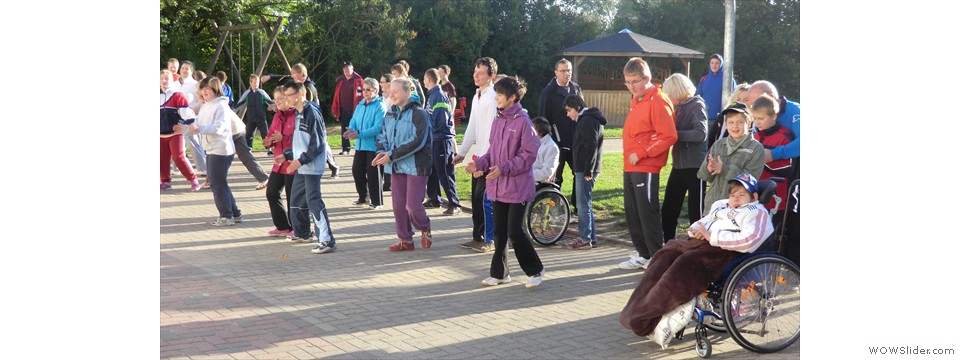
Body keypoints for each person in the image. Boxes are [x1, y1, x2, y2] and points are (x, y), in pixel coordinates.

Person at [620, 173, 774, 337]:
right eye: (732, 195)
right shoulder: (721, 205)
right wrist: (696, 231)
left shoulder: (756, 212)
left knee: (685, 263)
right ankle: (635, 312)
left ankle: (646, 317)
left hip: (724, 251)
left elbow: (749, 240)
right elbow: (702, 222)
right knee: (665, 253)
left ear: (754, 197)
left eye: (741, 195)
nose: (735, 199)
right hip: (700, 243)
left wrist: (712, 237)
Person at [465, 76, 545, 288]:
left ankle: (535, 271)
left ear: (512, 98)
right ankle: (500, 274)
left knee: (514, 232)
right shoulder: (498, 119)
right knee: (499, 233)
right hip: (498, 187)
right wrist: (479, 164)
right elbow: (492, 151)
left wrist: (504, 168)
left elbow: (529, 154)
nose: (497, 98)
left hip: (518, 188)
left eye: (500, 95)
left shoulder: (523, 121)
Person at [617, 57, 678, 271]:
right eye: (627, 82)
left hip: (646, 166)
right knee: (632, 212)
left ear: (647, 78)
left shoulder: (658, 100)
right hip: (631, 166)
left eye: (635, 81)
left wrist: (642, 153)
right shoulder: (638, 100)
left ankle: (657, 258)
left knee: (647, 212)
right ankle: (643, 254)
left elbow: (669, 136)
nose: (631, 87)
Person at [373, 78, 433, 252]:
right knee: (399, 207)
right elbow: (382, 136)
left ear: (407, 93)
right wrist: (381, 153)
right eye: (390, 91)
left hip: (416, 166)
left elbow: (417, 141)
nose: (391, 94)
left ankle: (425, 226)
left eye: (396, 91)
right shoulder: (390, 113)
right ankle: (405, 240)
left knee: (412, 206)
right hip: (396, 166)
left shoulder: (419, 113)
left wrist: (391, 155)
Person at [176, 77, 242, 226]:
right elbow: (197, 125)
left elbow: (219, 128)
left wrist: (199, 129)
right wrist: (185, 129)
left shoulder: (222, 106)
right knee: (219, 182)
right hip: (211, 148)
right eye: (203, 89)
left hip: (221, 149)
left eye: (208, 89)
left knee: (217, 183)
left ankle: (227, 216)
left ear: (215, 89)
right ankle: (235, 213)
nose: (204, 92)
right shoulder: (206, 106)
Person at [281, 80, 337, 254]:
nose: (285, 99)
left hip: (311, 166)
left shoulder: (311, 113)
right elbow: (301, 142)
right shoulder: (298, 113)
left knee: (314, 201)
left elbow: (317, 144)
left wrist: (300, 160)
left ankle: (327, 239)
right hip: (302, 166)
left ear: (299, 95)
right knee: (296, 200)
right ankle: (303, 232)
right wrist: (288, 155)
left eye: (288, 95)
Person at [453, 57, 499, 253]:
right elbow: (472, 126)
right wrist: (462, 153)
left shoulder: (493, 97)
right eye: (475, 72)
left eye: (480, 73)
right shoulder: (476, 96)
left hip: (488, 157)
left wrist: (483, 162)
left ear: (492, 76)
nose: (476, 75)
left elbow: (492, 132)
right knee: (476, 198)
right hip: (478, 157)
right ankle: (477, 237)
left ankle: (490, 239)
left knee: (485, 199)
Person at [264, 63, 340, 178]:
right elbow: (283, 77)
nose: (292, 76)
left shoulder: (309, 88)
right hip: (302, 120)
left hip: (312, 121)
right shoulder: (295, 85)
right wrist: (270, 76)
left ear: (302, 74)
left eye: (294, 74)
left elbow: (307, 106)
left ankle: (333, 165)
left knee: (322, 144)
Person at [659, 73, 708, 242]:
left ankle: (698, 246)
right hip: (679, 165)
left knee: (696, 210)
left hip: (695, 166)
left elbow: (701, 133)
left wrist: (674, 134)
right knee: (669, 208)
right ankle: (668, 243)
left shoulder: (696, 105)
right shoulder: (677, 108)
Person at [538, 59, 584, 222]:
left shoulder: (576, 88)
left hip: (576, 141)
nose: (567, 74)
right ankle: (556, 211)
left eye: (569, 70)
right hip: (556, 143)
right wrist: (548, 140)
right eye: (563, 71)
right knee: (555, 177)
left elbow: (583, 112)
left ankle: (579, 209)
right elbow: (543, 119)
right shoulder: (548, 92)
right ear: (556, 73)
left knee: (579, 173)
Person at [698, 103, 765, 213]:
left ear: (748, 123)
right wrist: (708, 169)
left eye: (740, 122)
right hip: (713, 205)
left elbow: (751, 179)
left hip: (739, 208)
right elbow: (702, 175)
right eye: (731, 122)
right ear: (726, 125)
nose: (735, 126)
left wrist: (724, 169)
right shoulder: (718, 144)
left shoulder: (756, 148)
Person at [563, 95, 607, 250]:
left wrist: (587, 169)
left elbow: (591, 145)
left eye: (569, 110)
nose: (568, 115)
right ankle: (591, 238)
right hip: (584, 168)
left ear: (578, 107)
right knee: (585, 203)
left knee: (582, 204)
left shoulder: (587, 120)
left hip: (586, 169)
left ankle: (584, 239)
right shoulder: (587, 119)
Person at [422, 68, 462, 215]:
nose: (423, 81)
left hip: (442, 140)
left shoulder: (438, 96)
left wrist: (429, 128)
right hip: (435, 139)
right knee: (432, 171)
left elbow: (441, 121)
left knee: (445, 172)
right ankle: (434, 199)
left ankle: (454, 203)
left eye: (424, 79)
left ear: (429, 80)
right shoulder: (433, 95)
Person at [750, 93, 796, 221]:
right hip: (755, 198)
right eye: (755, 118)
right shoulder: (755, 137)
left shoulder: (785, 136)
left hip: (776, 200)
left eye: (761, 118)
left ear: (774, 116)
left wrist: (761, 159)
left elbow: (789, 169)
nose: (757, 122)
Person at [262, 87, 300, 237]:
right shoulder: (277, 115)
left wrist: (283, 138)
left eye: (280, 98)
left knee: (293, 198)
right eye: (275, 98)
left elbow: (300, 140)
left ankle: (297, 228)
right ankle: (282, 226)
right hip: (278, 162)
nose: (277, 101)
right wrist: (268, 142)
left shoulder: (297, 115)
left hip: (292, 162)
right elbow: (271, 134)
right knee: (271, 193)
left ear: (288, 99)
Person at [343, 78, 385, 210]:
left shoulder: (379, 106)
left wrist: (358, 133)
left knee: (373, 173)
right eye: (363, 90)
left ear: (376, 91)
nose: (365, 92)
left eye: (368, 90)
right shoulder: (361, 104)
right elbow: (354, 120)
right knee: (357, 170)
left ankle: (377, 201)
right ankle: (363, 197)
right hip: (360, 145)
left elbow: (377, 128)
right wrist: (350, 129)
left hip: (373, 145)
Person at [745, 80, 800, 180]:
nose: (756, 108)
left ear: (771, 95)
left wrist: (774, 154)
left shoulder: (796, 112)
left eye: (759, 102)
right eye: (753, 105)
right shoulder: (758, 118)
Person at [160, 70, 202, 191]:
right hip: (160, 135)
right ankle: (165, 181)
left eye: (166, 78)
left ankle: (193, 179)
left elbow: (187, 114)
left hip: (175, 134)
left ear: (172, 80)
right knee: (161, 159)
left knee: (179, 157)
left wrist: (183, 124)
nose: (164, 81)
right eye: (162, 78)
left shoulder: (177, 95)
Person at [227, 94, 270, 191]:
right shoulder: (209, 103)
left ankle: (264, 177)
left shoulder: (217, 104)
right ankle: (263, 177)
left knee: (219, 157)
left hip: (234, 131)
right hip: (232, 131)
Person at [178, 61, 208, 177]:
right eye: (183, 68)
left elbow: (202, 100)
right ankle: (176, 168)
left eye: (187, 69)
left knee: (194, 144)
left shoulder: (195, 84)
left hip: (191, 118)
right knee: (176, 144)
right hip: (176, 118)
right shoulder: (175, 84)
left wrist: (193, 110)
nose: (184, 70)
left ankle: (203, 168)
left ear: (191, 71)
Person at [234, 74, 275, 154]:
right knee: (249, 133)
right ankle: (249, 148)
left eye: (257, 82)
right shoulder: (247, 93)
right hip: (251, 116)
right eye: (254, 82)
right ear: (250, 83)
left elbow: (269, 102)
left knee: (265, 132)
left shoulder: (261, 92)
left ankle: (268, 149)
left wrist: (276, 108)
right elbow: (240, 103)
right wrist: (233, 111)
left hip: (261, 116)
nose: (256, 84)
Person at [332, 61, 363, 155]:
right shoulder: (340, 80)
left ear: (352, 68)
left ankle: (360, 148)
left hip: (355, 109)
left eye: (348, 68)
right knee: (344, 128)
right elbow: (336, 95)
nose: (346, 70)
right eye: (344, 68)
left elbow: (361, 95)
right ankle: (346, 148)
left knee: (359, 127)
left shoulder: (358, 80)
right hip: (343, 109)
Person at [695, 54, 737, 121]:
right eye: (712, 63)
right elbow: (698, 97)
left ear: (721, 64)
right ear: (709, 64)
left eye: (717, 63)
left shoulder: (728, 80)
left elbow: (735, 98)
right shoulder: (703, 80)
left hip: (722, 118)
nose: (714, 65)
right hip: (705, 118)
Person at [708, 82, 750, 149]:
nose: (741, 102)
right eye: (738, 99)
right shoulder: (723, 116)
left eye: (746, 100)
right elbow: (711, 140)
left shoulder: (757, 121)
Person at [379, 74, 396, 191]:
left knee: (389, 153)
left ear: (389, 83)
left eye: (382, 82)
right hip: (384, 129)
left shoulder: (392, 97)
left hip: (391, 129)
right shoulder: (383, 96)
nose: (380, 84)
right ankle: (386, 182)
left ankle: (389, 182)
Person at [530, 117, 559, 183]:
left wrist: (526, 175)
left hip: (537, 183)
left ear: (540, 132)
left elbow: (547, 172)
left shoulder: (552, 147)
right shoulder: (533, 143)